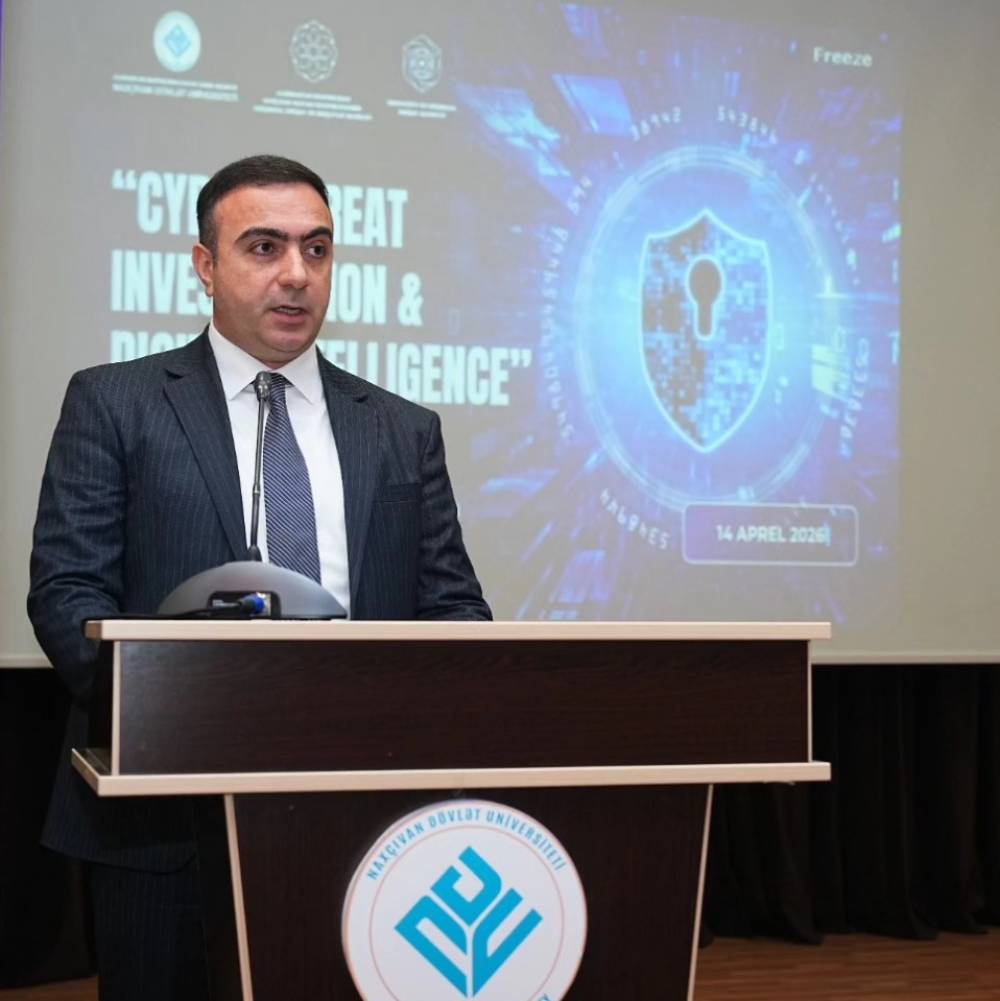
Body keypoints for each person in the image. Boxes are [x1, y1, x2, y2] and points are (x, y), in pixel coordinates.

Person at [27, 154, 491, 1000]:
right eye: (264, 247)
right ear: (206, 266)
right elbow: (67, 593)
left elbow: (455, 606)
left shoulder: (401, 428)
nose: (296, 274)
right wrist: (176, 709)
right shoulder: (116, 402)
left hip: (368, 820)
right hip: (167, 824)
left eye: (317, 249)